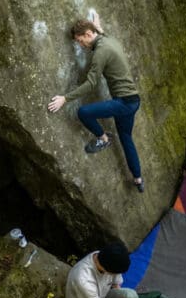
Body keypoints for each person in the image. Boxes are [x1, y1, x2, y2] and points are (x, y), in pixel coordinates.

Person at [48, 17, 144, 191]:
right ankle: (138, 179)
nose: (80, 44)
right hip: (133, 101)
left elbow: (91, 83)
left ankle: (103, 139)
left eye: (80, 40)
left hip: (123, 103)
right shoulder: (109, 40)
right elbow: (103, 37)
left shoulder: (100, 52)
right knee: (126, 138)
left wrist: (65, 98)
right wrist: (98, 28)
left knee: (83, 113)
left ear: (88, 34)